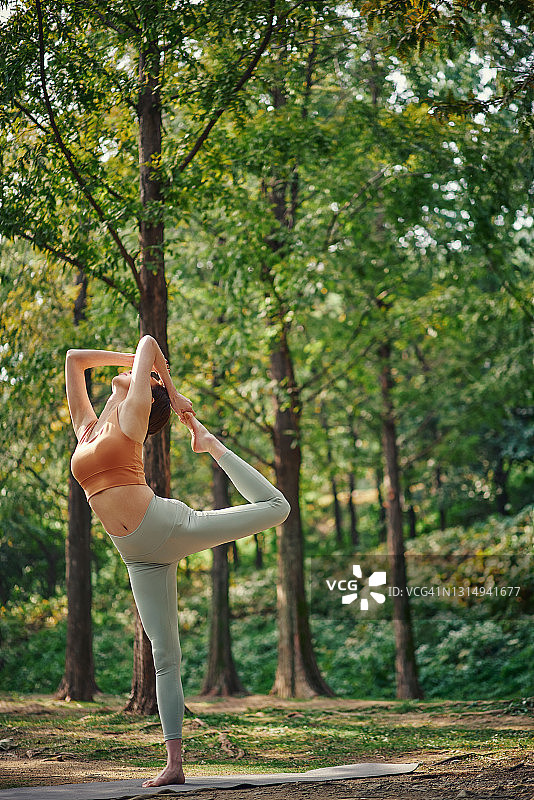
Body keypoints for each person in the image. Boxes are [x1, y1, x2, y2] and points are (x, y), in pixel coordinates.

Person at [65, 334, 291, 787]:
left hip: (168, 526)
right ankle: (174, 764)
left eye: (143, 381)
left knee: (277, 508)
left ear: (146, 399)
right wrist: (149, 370)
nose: (134, 375)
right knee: (164, 657)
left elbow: (149, 339)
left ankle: (212, 446)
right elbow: (75, 360)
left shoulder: (132, 416)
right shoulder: (88, 428)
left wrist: (166, 385)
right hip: (137, 557)